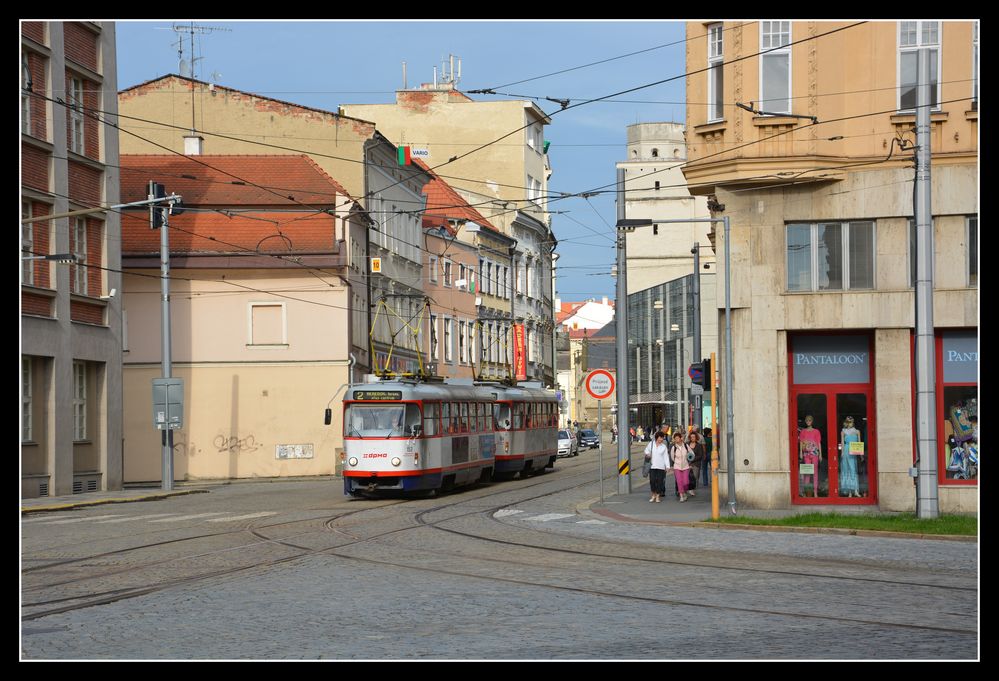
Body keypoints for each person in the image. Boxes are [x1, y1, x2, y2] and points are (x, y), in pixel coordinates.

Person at [798, 415, 822, 497]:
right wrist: (800, 452)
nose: (808, 422)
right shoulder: (803, 431)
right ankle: (806, 491)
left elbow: (818, 443)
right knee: (807, 472)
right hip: (806, 453)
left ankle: (815, 491)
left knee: (815, 472)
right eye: (807, 421)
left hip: (814, 452)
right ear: (805, 421)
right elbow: (801, 442)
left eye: (810, 420)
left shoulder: (816, 431)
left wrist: (820, 454)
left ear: (812, 421)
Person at [839, 416, 862, 498]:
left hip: (854, 450)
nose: (850, 424)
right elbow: (842, 443)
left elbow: (859, 443)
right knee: (847, 469)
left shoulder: (857, 431)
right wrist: (842, 453)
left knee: (853, 469)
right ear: (846, 422)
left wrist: (861, 455)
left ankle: (855, 490)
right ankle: (849, 491)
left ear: (853, 422)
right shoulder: (843, 431)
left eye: (851, 422)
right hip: (846, 450)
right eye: (848, 422)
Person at [668, 431, 695, 502]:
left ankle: (684, 492)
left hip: (686, 466)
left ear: (681, 438)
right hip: (677, 467)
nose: (676, 440)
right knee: (679, 481)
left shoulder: (686, 446)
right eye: (675, 438)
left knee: (686, 482)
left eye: (677, 438)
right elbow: (672, 457)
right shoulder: (674, 448)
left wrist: (689, 460)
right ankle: (681, 496)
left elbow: (692, 454)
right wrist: (673, 465)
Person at [644, 431, 669, 503]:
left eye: (662, 438)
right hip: (652, 466)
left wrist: (667, 466)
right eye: (660, 438)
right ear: (657, 437)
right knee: (652, 481)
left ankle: (658, 496)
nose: (661, 439)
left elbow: (666, 457)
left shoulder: (664, 446)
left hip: (661, 467)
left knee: (660, 481)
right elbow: (646, 451)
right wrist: (648, 454)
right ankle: (653, 495)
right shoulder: (651, 444)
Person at [686, 431, 705, 496]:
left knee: (695, 477)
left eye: (693, 437)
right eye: (691, 437)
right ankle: (689, 489)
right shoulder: (687, 444)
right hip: (687, 463)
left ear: (696, 437)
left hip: (696, 464)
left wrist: (692, 459)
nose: (692, 438)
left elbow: (700, 455)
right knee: (687, 477)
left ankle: (692, 489)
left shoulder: (699, 445)